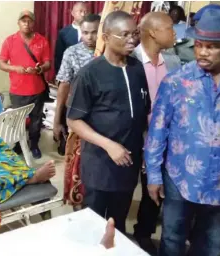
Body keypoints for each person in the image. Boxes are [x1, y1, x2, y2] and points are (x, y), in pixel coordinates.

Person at [145, 9, 220, 256]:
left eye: (212, 47)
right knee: (172, 239)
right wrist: (153, 175)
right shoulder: (176, 82)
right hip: (179, 178)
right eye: (199, 45)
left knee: (212, 245)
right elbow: (157, 131)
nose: (202, 52)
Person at [66, 11, 150, 234]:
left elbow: (142, 112)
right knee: (94, 225)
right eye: (125, 35)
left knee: (119, 223)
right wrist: (109, 145)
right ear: (107, 36)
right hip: (100, 165)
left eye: (135, 34)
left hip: (128, 163)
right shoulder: (90, 74)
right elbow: (74, 120)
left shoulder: (137, 68)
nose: (132, 39)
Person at [130, 12, 180, 255]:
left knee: (154, 189)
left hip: (162, 140)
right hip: (132, 138)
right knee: (124, 187)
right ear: (152, 32)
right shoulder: (129, 60)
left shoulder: (173, 62)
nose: (176, 33)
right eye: (170, 28)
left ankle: (144, 232)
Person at [0, 10, 51, 159]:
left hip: (37, 89)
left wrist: (40, 68)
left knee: (36, 120)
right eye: (23, 21)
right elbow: (1, 64)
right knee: (17, 121)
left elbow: (48, 63)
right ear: (18, 23)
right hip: (17, 90)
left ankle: (34, 145)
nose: (26, 24)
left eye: (30, 21)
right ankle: (17, 145)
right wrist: (15, 68)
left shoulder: (42, 40)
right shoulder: (10, 41)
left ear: (33, 23)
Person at [54, 14, 100, 156]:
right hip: (78, 115)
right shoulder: (72, 52)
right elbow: (64, 86)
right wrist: (57, 120)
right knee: (77, 159)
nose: (90, 37)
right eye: (85, 33)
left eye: (94, 32)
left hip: (103, 115)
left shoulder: (108, 53)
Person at [54, 2, 90, 75]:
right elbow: (59, 57)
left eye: (85, 12)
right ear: (72, 13)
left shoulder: (93, 32)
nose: (83, 14)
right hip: (70, 75)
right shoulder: (64, 32)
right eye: (80, 11)